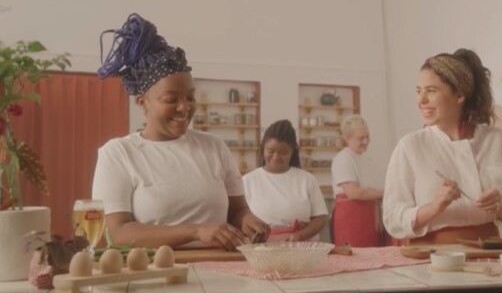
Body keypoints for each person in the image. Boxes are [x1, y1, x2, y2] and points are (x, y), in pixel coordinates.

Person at [92, 13, 269, 250]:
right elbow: (117, 233)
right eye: (170, 99)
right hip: (156, 275)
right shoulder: (119, 153)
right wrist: (196, 231)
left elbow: (237, 211)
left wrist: (247, 220)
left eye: (190, 97)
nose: (184, 107)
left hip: (222, 269)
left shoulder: (214, 146)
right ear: (142, 102)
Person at [382, 48, 502, 245]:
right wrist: (434, 207)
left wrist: (501, 205)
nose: (421, 100)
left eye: (431, 91)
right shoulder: (410, 147)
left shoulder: (500, 141)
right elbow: (392, 218)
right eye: (419, 91)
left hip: (490, 254)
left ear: (459, 94)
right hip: (430, 259)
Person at [242, 119, 328, 242]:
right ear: (263, 149)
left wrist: (300, 235)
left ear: (293, 151)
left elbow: (321, 217)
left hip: (301, 248)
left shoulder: (307, 180)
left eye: (283, 152)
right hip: (259, 249)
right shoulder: (247, 181)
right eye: (270, 151)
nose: (276, 158)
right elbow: (238, 218)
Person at [330, 115, 384, 247]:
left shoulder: (367, 160)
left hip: (369, 219)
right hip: (351, 221)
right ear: (347, 138)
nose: (365, 141)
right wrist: (385, 192)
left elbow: (372, 190)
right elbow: (354, 193)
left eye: (367, 137)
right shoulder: (343, 159)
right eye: (361, 138)